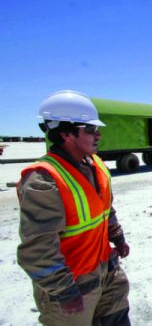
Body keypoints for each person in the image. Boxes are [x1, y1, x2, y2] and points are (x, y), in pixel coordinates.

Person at [17, 90, 131, 325]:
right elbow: (37, 248)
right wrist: (63, 292)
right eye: (90, 129)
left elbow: (105, 209)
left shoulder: (97, 165)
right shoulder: (43, 181)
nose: (98, 135)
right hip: (73, 284)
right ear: (66, 133)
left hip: (107, 272)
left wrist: (116, 236)